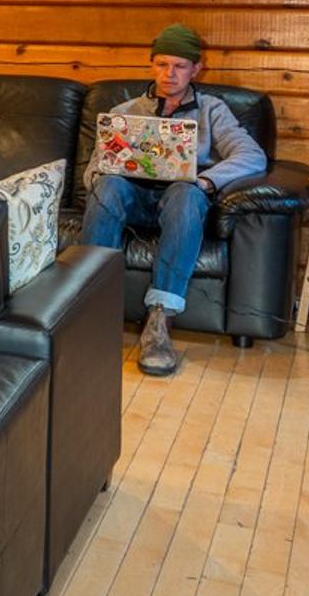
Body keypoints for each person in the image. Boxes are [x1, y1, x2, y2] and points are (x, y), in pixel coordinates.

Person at [79, 24, 267, 377]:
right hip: (132, 198)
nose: (170, 74)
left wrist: (207, 180)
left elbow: (252, 156)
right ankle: (89, 312)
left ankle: (159, 322)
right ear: (152, 65)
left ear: (196, 69)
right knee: (108, 186)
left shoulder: (212, 110)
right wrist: (107, 172)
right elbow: (91, 172)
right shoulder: (126, 111)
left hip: (181, 204)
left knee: (185, 192)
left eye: (180, 66)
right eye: (162, 64)